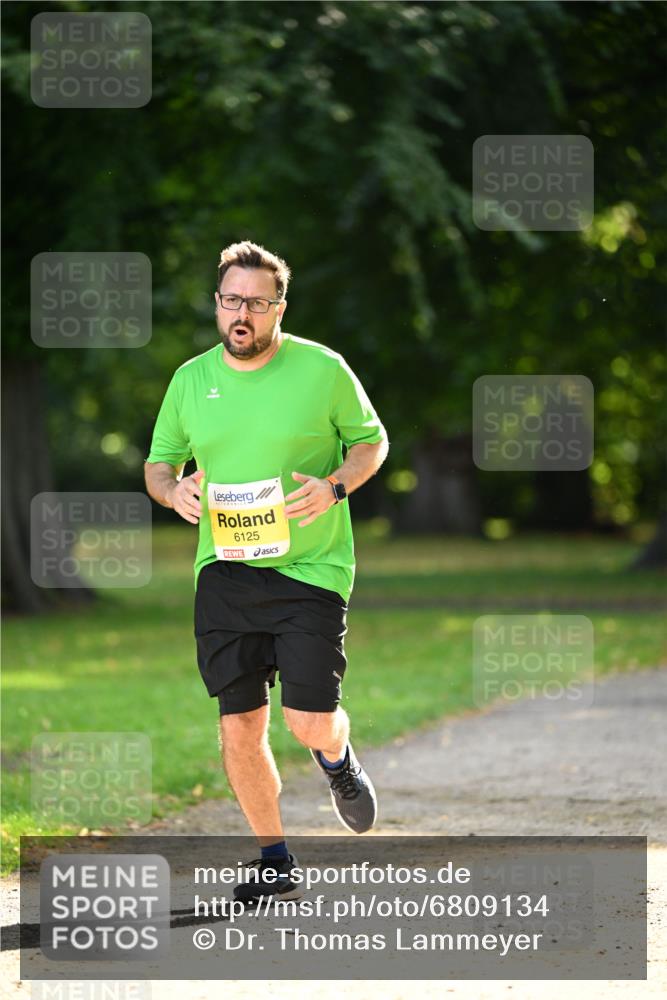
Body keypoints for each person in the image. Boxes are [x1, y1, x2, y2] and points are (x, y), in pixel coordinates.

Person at [144, 240, 389, 903]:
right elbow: (160, 462)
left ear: (278, 307)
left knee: (307, 721)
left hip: (310, 569)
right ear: (217, 305)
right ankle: (274, 858)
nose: (241, 313)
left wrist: (336, 486)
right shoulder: (191, 379)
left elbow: (371, 441)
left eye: (255, 301)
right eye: (230, 300)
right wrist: (172, 493)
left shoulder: (321, 369)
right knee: (238, 726)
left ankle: (335, 758)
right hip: (225, 572)